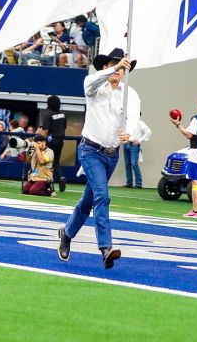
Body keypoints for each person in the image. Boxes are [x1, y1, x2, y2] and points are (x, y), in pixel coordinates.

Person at [57, 48, 137, 270]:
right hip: (90, 150)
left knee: (88, 200)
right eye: (112, 65)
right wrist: (116, 65)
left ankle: (67, 233)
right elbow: (91, 82)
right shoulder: (93, 86)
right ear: (105, 66)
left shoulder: (130, 94)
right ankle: (105, 248)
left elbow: (133, 119)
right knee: (102, 196)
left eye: (122, 66)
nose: (117, 70)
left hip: (112, 154)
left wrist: (128, 132)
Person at [39, 95, 68, 193]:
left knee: (47, 162)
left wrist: (39, 141)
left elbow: (45, 131)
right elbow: (64, 127)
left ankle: (47, 183)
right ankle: (60, 177)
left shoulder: (48, 114)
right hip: (60, 141)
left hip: (50, 141)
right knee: (56, 162)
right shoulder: (63, 115)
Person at [122, 111, 152, 189]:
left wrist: (139, 140)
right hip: (127, 143)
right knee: (127, 164)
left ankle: (138, 184)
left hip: (133, 145)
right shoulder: (127, 123)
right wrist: (124, 140)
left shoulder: (140, 123)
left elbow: (148, 132)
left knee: (134, 164)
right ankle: (129, 183)